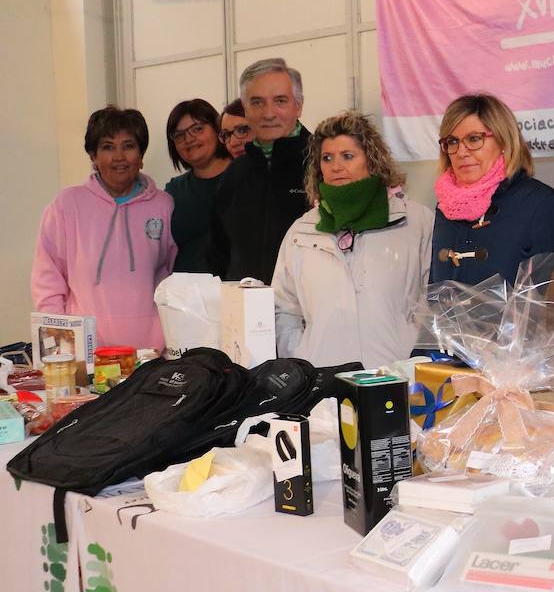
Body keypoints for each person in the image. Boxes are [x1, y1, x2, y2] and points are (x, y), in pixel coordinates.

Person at [272, 111, 433, 367]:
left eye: (347, 156)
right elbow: (284, 309)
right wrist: (302, 358)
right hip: (324, 383)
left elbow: (432, 300)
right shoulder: (301, 231)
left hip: (396, 376)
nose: (336, 166)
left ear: (372, 160)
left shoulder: (417, 221)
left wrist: (414, 359)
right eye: (327, 158)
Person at [31, 106, 177, 350]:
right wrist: (62, 342)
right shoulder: (66, 206)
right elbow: (47, 280)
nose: (119, 157)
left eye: (128, 146)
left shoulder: (164, 205)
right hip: (85, 350)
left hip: (150, 352)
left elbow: (171, 276)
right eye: (108, 147)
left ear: (141, 156)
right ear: (93, 156)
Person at [430, 93, 554, 286]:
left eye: (474, 139)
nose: (461, 152)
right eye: (452, 142)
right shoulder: (445, 206)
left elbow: (553, 299)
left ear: (504, 142)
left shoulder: (543, 205)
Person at [209, 58, 312, 282]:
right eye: (257, 102)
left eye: (280, 101)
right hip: (244, 310)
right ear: (245, 109)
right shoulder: (234, 175)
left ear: (299, 106)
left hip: (308, 312)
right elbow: (219, 254)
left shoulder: (323, 165)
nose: (268, 113)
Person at [164, 99, 231, 273]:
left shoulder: (244, 177)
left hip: (237, 293)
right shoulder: (173, 192)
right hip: (185, 295)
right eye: (179, 135)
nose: (189, 139)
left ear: (217, 129)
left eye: (197, 129)